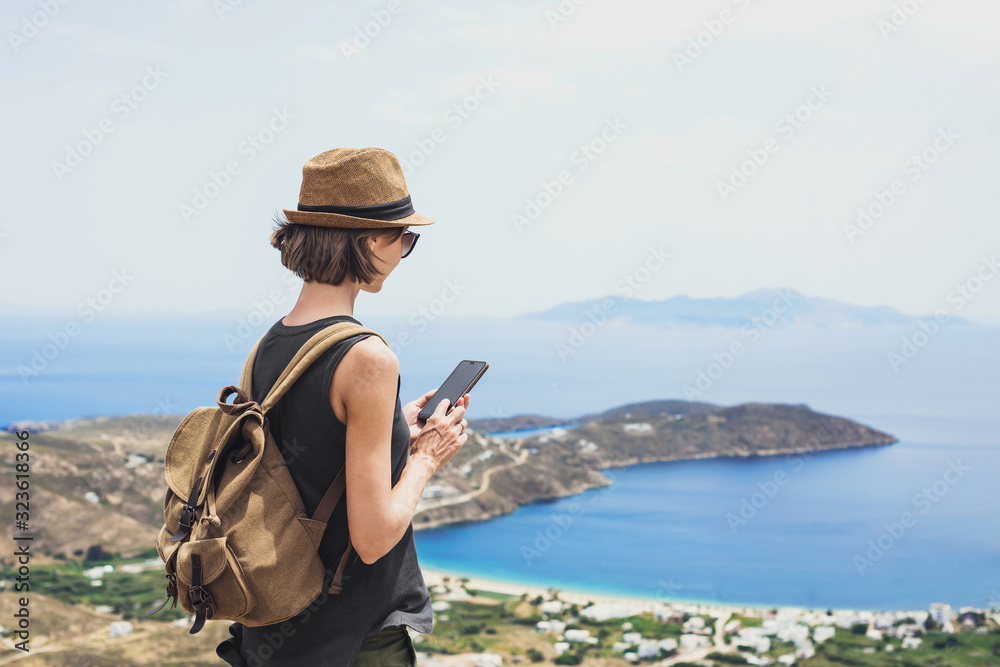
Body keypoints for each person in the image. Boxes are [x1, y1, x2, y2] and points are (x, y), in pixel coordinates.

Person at [216, 147, 470, 666]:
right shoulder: (368, 358)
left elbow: (301, 459)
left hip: (269, 629)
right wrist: (425, 458)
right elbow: (373, 538)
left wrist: (393, 431)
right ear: (369, 239)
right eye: (405, 237)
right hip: (350, 639)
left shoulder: (269, 345)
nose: (403, 251)